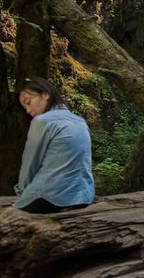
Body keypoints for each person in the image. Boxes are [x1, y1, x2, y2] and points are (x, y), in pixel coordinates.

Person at [15, 77, 94, 213]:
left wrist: (22, 192)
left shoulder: (42, 121)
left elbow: (31, 163)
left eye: (28, 102)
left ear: (46, 94)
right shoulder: (80, 121)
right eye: (25, 107)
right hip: (83, 196)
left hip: (48, 197)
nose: (28, 110)